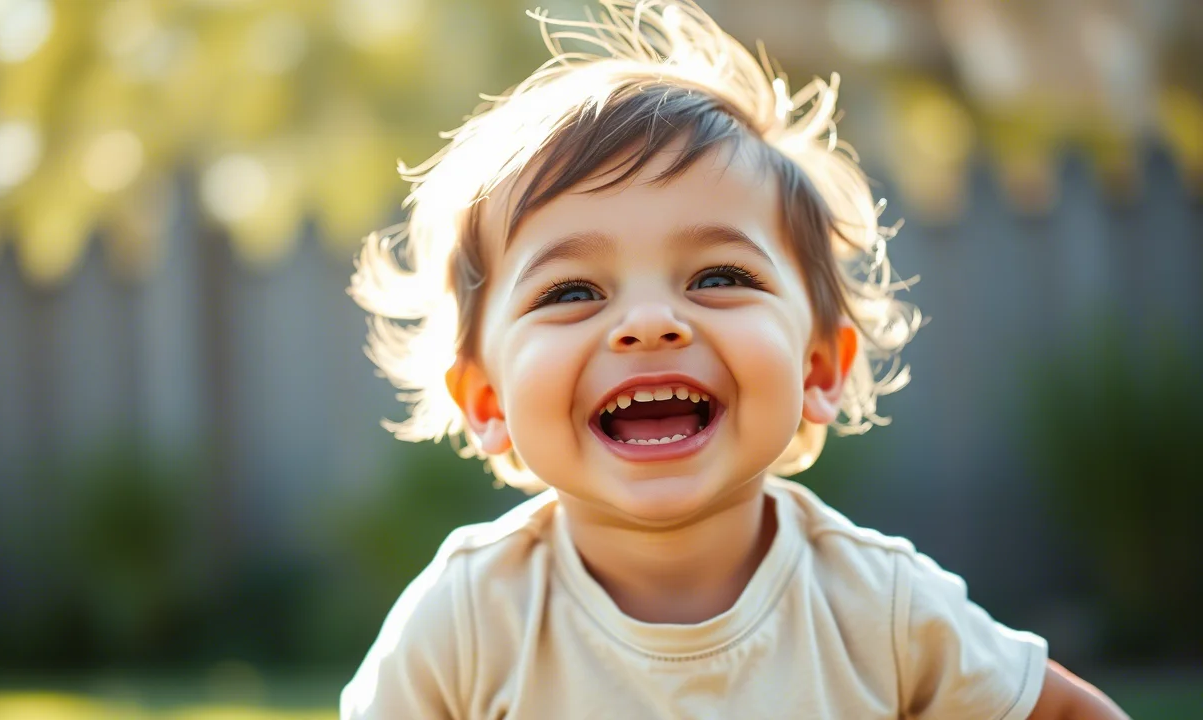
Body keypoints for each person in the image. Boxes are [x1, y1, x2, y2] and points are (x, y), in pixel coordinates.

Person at [341, 1, 1127, 717]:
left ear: (819, 368)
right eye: (572, 290)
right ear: (486, 400)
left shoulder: (881, 610)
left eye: (719, 277)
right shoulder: (469, 620)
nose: (649, 323)